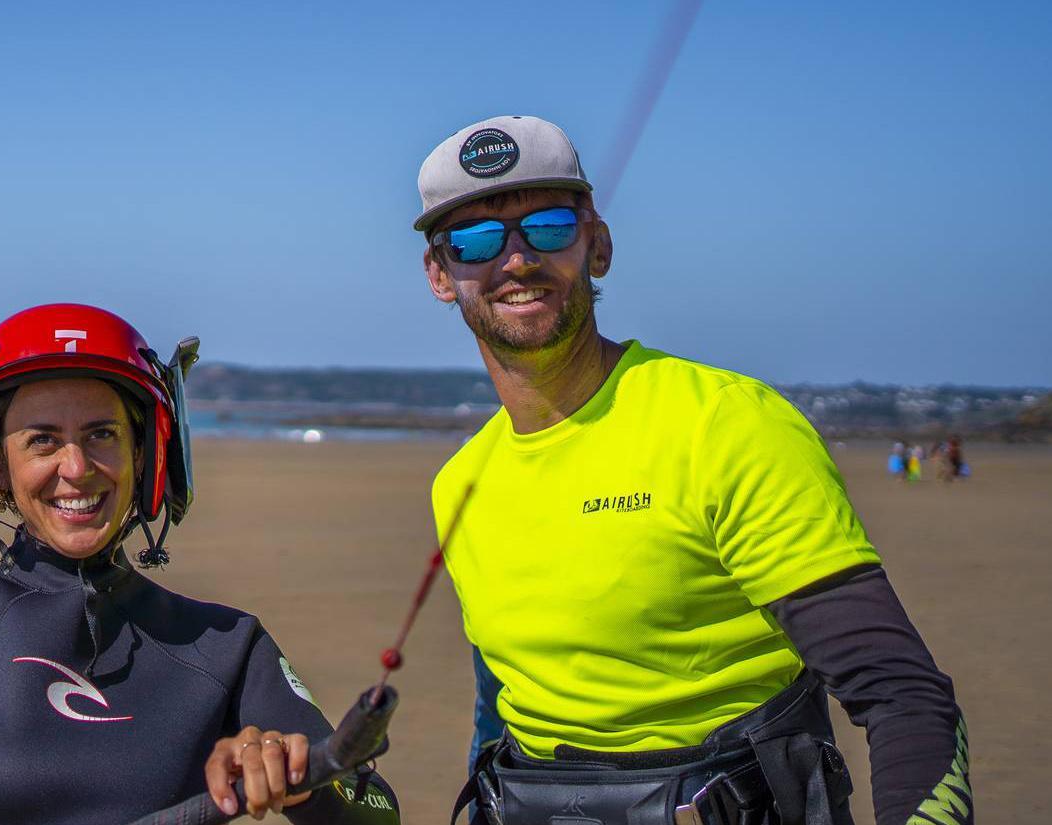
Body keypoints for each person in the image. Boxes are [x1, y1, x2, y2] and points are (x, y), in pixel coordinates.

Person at [413, 116, 968, 825]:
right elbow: (501, 715)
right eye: (477, 240)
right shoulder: (461, 481)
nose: (516, 259)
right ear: (439, 273)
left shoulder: (727, 424)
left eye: (548, 226)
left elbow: (903, 694)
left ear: (598, 244)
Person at [0, 304, 399, 825]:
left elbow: (376, 810)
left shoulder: (226, 645)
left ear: (146, 456)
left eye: (102, 435)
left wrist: (294, 773)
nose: (76, 467)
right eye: (41, 440)